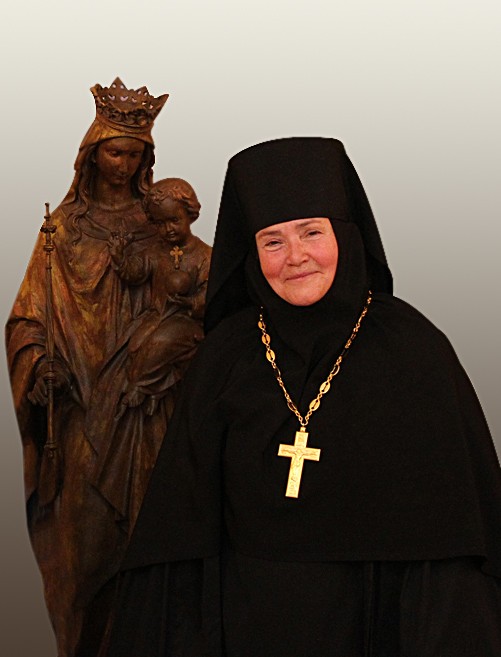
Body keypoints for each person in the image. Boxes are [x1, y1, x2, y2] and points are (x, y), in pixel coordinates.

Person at [105, 137, 501, 656]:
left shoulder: (415, 350)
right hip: (244, 630)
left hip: (378, 626)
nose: (295, 257)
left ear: (346, 235)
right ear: (250, 253)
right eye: (272, 241)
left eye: (312, 232)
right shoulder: (225, 354)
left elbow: (452, 551)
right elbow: (181, 535)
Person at [5, 77, 168, 657]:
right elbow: (27, 317)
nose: (124, 166)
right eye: (114, 152)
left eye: (135, 155)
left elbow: (191, 298)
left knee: (148, 545)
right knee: (79, 552)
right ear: (92, 153)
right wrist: (38, 364)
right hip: (78, 409)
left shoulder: (162, 224)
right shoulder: (61, 231)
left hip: (144, 409)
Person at [86, 178, 212, 534]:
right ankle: (139, 385)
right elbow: (136, 273)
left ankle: (142, 388)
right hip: (155, 320)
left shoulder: (205, 255)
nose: (168, 229)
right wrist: (120, 257)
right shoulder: (156, 252)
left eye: (174, 221)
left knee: (162, 343)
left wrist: (191, 302)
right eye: (160, 223)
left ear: (190, 214)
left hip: (186, 325)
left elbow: (211, 296)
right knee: (138, 344)